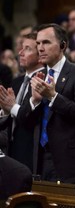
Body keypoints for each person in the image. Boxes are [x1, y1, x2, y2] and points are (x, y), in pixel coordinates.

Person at [20, 23, 75, 183]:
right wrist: (34, 101)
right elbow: (26, 120)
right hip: (40, 158)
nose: (40, 48)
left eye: (46, 42)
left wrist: (53, 96)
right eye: (38, 43)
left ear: (63, 45)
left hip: (69, 159)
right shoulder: (38, 75)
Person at [0, 33, 44, 171]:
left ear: (40, 56)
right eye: (21, 48)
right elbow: (9, 114)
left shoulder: (44, 81)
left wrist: (12, 107)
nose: (20, 52)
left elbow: (32, 118)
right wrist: (5, 111)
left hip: (31, 152)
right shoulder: (17, 81)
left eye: (27, 49)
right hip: (10, 150)